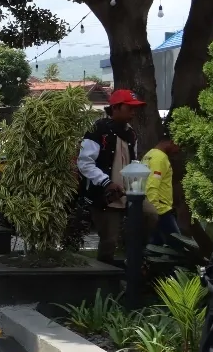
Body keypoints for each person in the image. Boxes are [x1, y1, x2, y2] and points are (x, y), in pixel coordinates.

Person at [77, 89, 150, 264]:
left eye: (135, 109)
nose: (133, 112)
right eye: (130, 108)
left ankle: (136, 262)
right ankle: (104, 281)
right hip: (106, 196)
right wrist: (106, 182)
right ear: (116, 108)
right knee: (108, 241)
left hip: (128, 193)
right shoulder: (97, 130)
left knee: (151, 215)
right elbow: (84, 163)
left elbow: (132, 160)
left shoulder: (131, 133)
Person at [143, 132, 180, 245]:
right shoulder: (160, 158)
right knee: (177, 244)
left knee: (155, 245)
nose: (178, 150)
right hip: (161, 209)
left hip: (155, 207)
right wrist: (154, 212)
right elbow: (152, 184)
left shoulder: (149, 154)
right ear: (172, 142)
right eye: (178, 146)